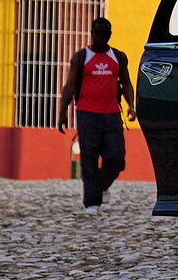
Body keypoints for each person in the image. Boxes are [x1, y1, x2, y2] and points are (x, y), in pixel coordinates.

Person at [57, 17, 136, 214]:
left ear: (110, 35)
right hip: (87, 114)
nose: (101, 37)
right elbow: (70, 85)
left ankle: (100, 186)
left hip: (111, 115)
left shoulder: (118, 57)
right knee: (89, 158)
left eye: (105, 34)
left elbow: (126, 82)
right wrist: (62, 112)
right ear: (91, 34)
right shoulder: (81, 57)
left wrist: (131, 106)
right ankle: (92, 202)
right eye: (97, 33)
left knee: (116, 158)